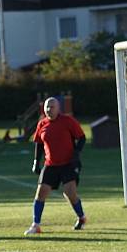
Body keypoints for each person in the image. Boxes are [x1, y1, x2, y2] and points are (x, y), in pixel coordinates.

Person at [24, 97, 87, 235]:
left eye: (52, 107)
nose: (49, 110)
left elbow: (82, 138)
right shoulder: (42, 124)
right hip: (50, 165)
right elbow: (39, 143)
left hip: (68, 164)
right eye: (47, 107)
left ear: (59, 108)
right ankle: (36, 225)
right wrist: (36, 161)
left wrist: (76, 153)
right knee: (40, 193)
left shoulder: (68, 121)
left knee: (70, 193)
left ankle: (81, 217)